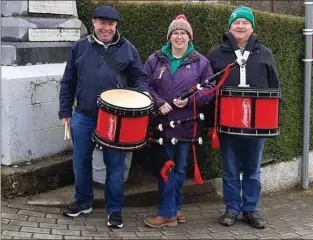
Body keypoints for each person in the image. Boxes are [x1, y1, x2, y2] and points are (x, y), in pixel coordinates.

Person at [58, 6, 149, 228]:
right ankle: (83, 202)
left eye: (111, 23)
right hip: (83, 116)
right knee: (80, 163)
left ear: (116, 25)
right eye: (102, 22)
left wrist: (142, 95)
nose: (106, 27)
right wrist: (64, 111)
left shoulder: (128, 49)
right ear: (93, 23)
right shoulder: (80, 47)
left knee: (115, 167)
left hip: (115, 119)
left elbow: (140, 78)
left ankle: (115, 210)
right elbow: (68, 80)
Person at [207, 6, 280, 229]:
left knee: (252, 170)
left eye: (245, 22)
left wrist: (272, 119)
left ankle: (250, 209)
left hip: (257, 126)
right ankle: (231, 209)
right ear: (230, 26)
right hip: (228, 124)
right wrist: (211, 123)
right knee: (230, 168)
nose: (240, 26)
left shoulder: (265, 54)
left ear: (252, 26)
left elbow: (274, 88)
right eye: (236, 22)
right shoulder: (216, 54)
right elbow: (209, 91)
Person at [142, 15, 214, 228]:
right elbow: (143, 84)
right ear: (170, 36)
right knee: (166, 168)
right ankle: (167, 213)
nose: (179, 36)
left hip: (187, 125)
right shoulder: (155, 59)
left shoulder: (201, 62)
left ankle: (175, 208)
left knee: (181, 169)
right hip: (161, 124)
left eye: (183, 33)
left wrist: (191, 100)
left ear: (189, 37)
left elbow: (210, 90)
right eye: (175, 32)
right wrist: (158, 102)